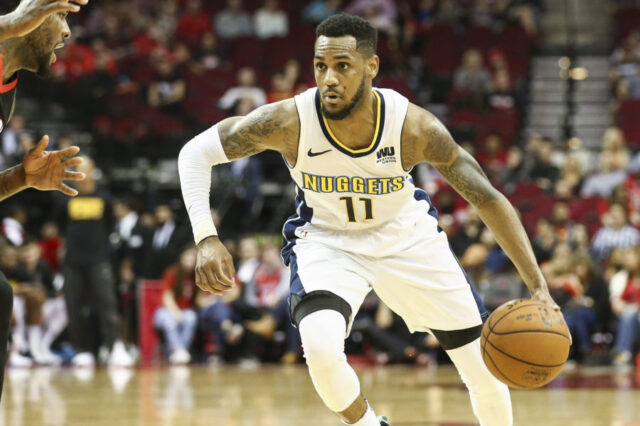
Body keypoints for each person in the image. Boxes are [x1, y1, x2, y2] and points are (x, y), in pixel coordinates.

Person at [179, 14, 559, 426]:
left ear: (371, 67)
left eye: (343, 66)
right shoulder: (289, 121)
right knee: (320, 348)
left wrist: (538, 286)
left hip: (407, 238)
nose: (329, 79)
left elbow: (487, 198)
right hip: (327, 240)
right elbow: (195, 154)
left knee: (481, 367)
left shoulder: (412, 127)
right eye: (321, 66)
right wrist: (206, 237)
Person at [0, 0, 89, 400]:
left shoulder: (7, 91)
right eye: (62, 15)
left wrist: (21, 178)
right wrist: (11, 23)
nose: (68, 33)